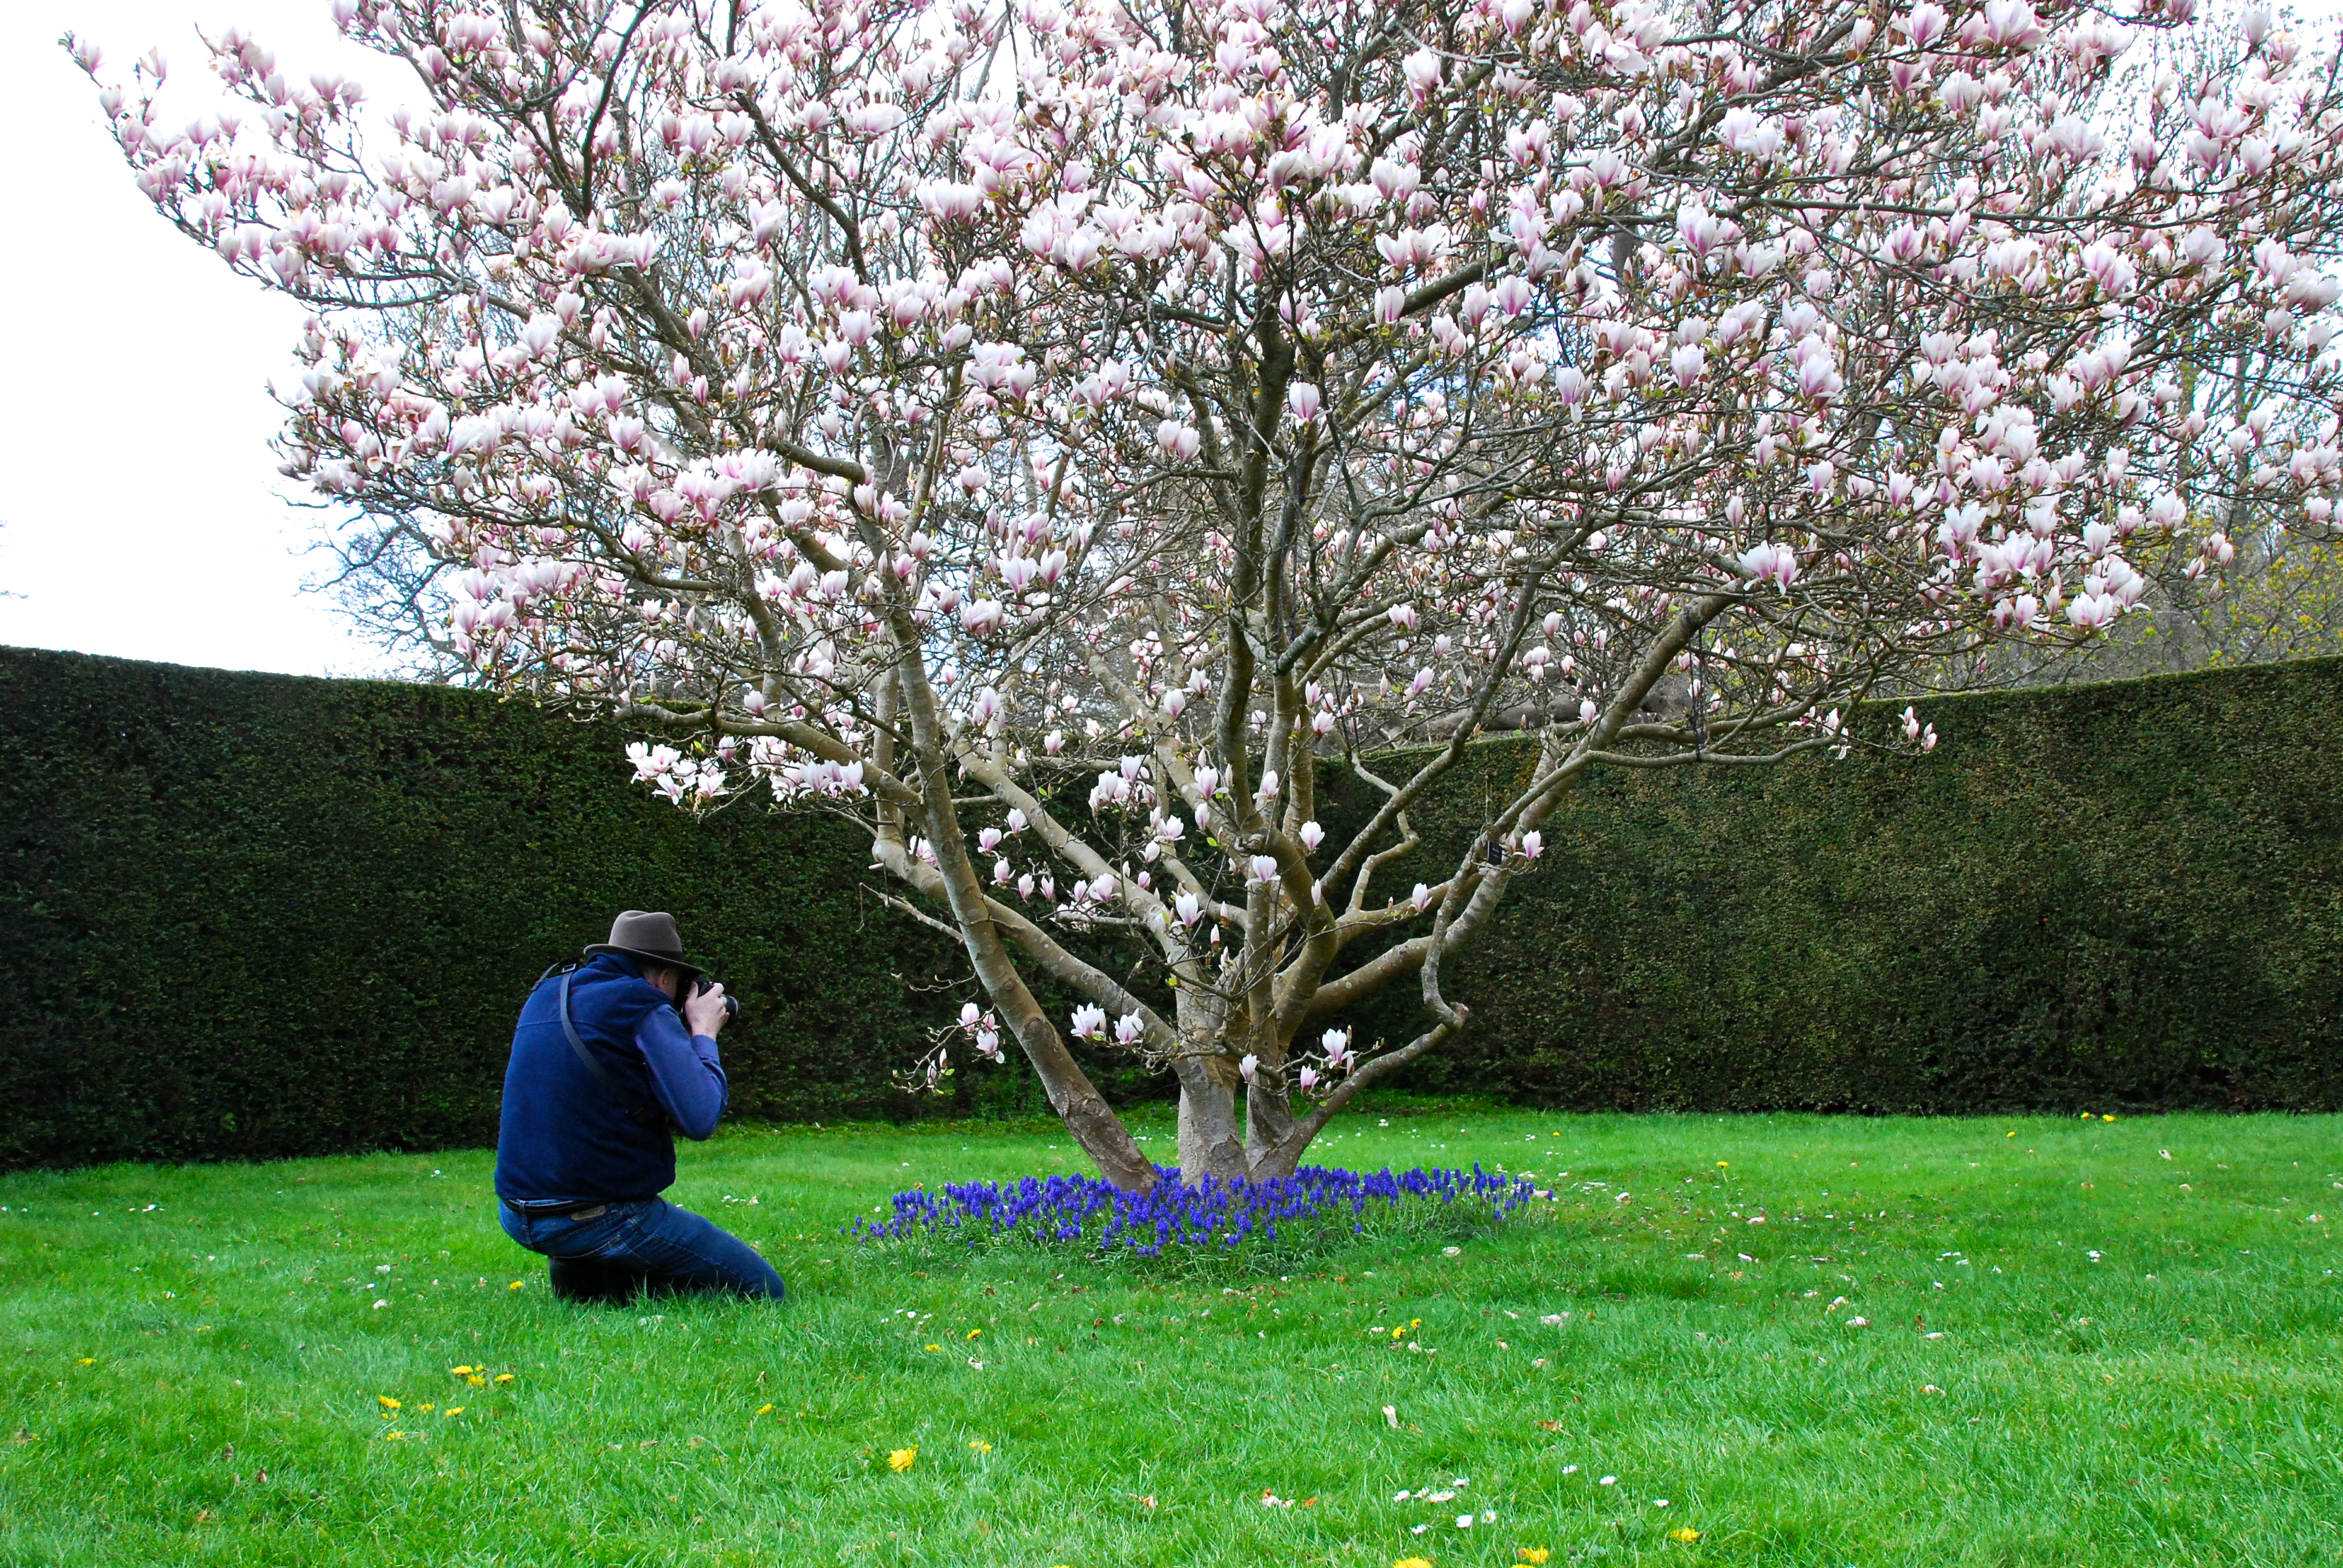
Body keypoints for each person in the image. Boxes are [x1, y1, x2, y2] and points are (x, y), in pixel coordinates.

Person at [494, 910, 784, 1304]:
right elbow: (701, 1117)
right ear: (665, 977)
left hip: (516, 1212)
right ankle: (597, 1263)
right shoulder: (640, 1003)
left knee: (623, 1274)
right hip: (601, 1215)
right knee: (762, 1289)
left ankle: (589, 1278)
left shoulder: (547, 993)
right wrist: (703, 1033)